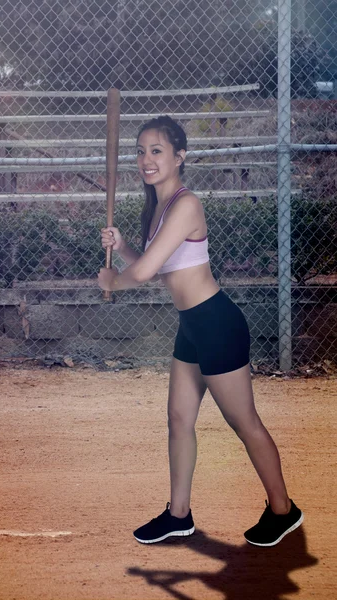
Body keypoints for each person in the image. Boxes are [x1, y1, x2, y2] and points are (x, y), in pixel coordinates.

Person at [98, 115, 303, 547]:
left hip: (217, 324)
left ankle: (283, 510)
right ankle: (178, 515)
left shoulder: (186, 204)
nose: (146, 160)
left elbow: (146, 271)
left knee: (244, 422)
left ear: (179, 156)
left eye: (157, 151)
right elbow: (159, 268)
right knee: (178, 418)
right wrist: (122, 248)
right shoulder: (158, 207)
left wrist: (113, 279)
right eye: (140, 151)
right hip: (192, 325)